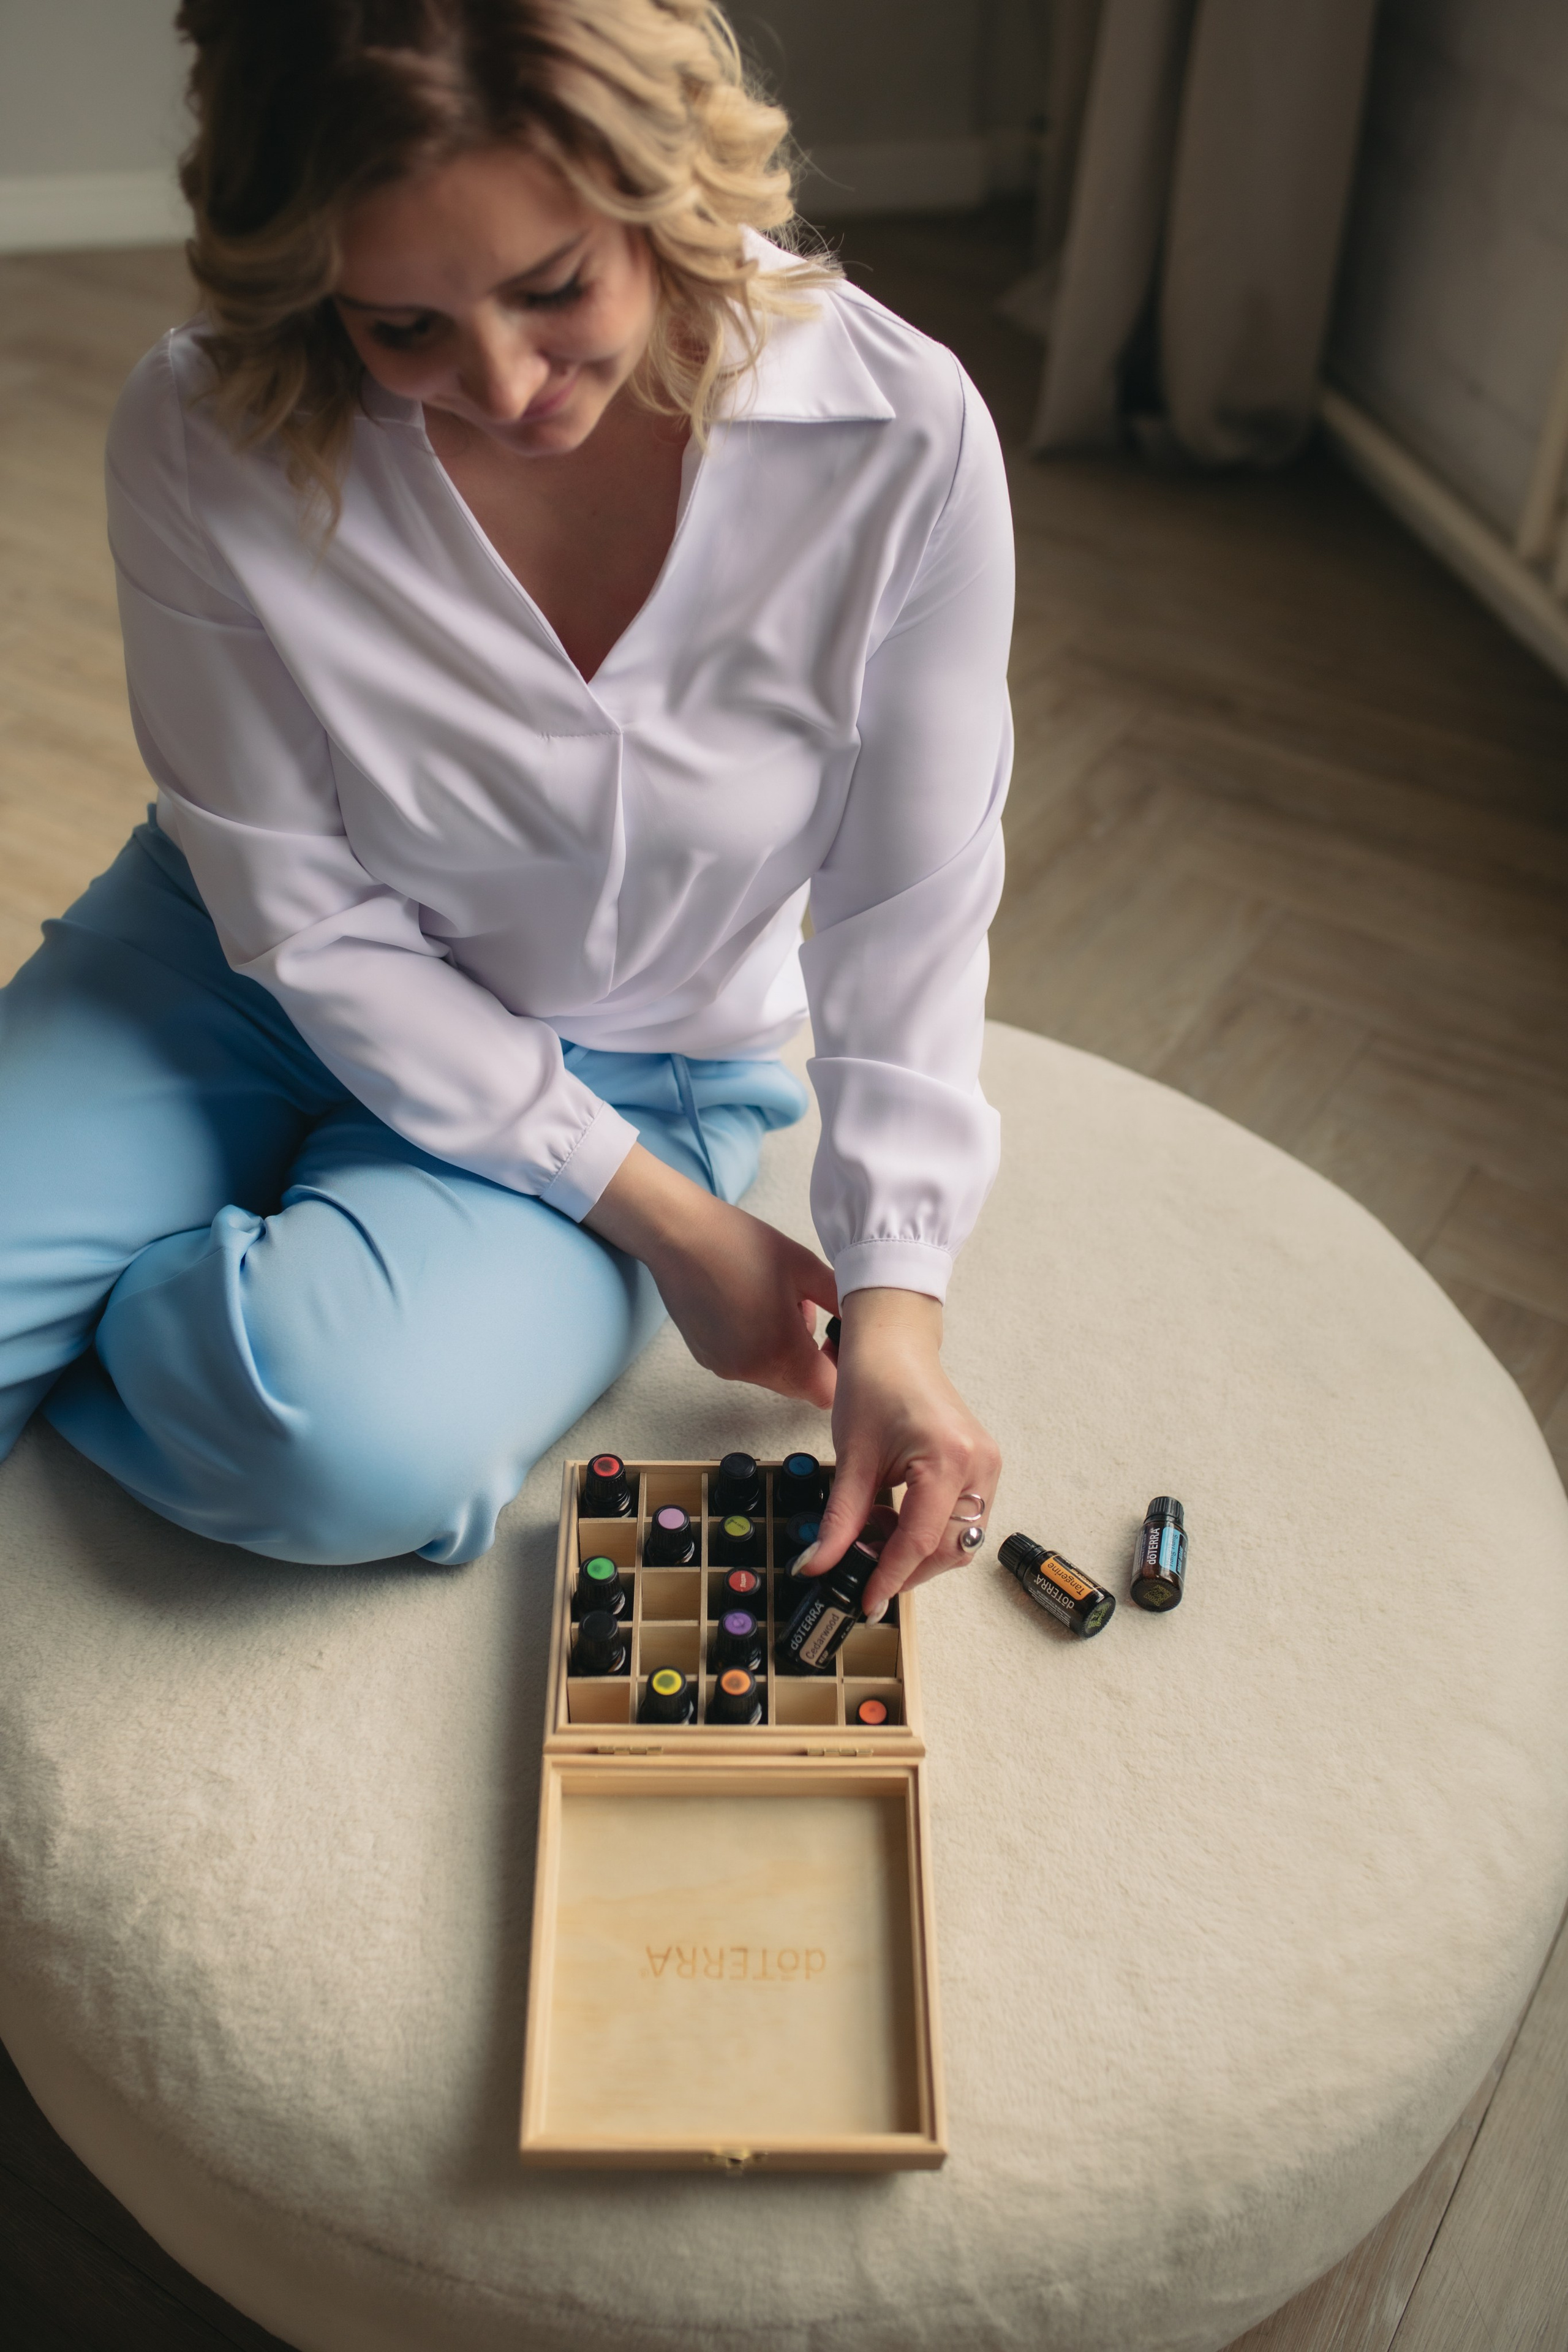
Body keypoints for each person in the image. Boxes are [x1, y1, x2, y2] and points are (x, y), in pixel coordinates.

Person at [0, 0, 1011, 1622]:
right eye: (402, 328)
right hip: (229, 962)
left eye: (555, 292)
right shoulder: (201, 432)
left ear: (657, 188)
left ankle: (188, 1264)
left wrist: (894, 1303)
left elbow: (912, 906)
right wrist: (673, 1237)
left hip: (637, 1046)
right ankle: (213, 1219)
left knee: (325, 1443)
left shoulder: (901, 440)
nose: (504, 381)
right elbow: (302, 918)